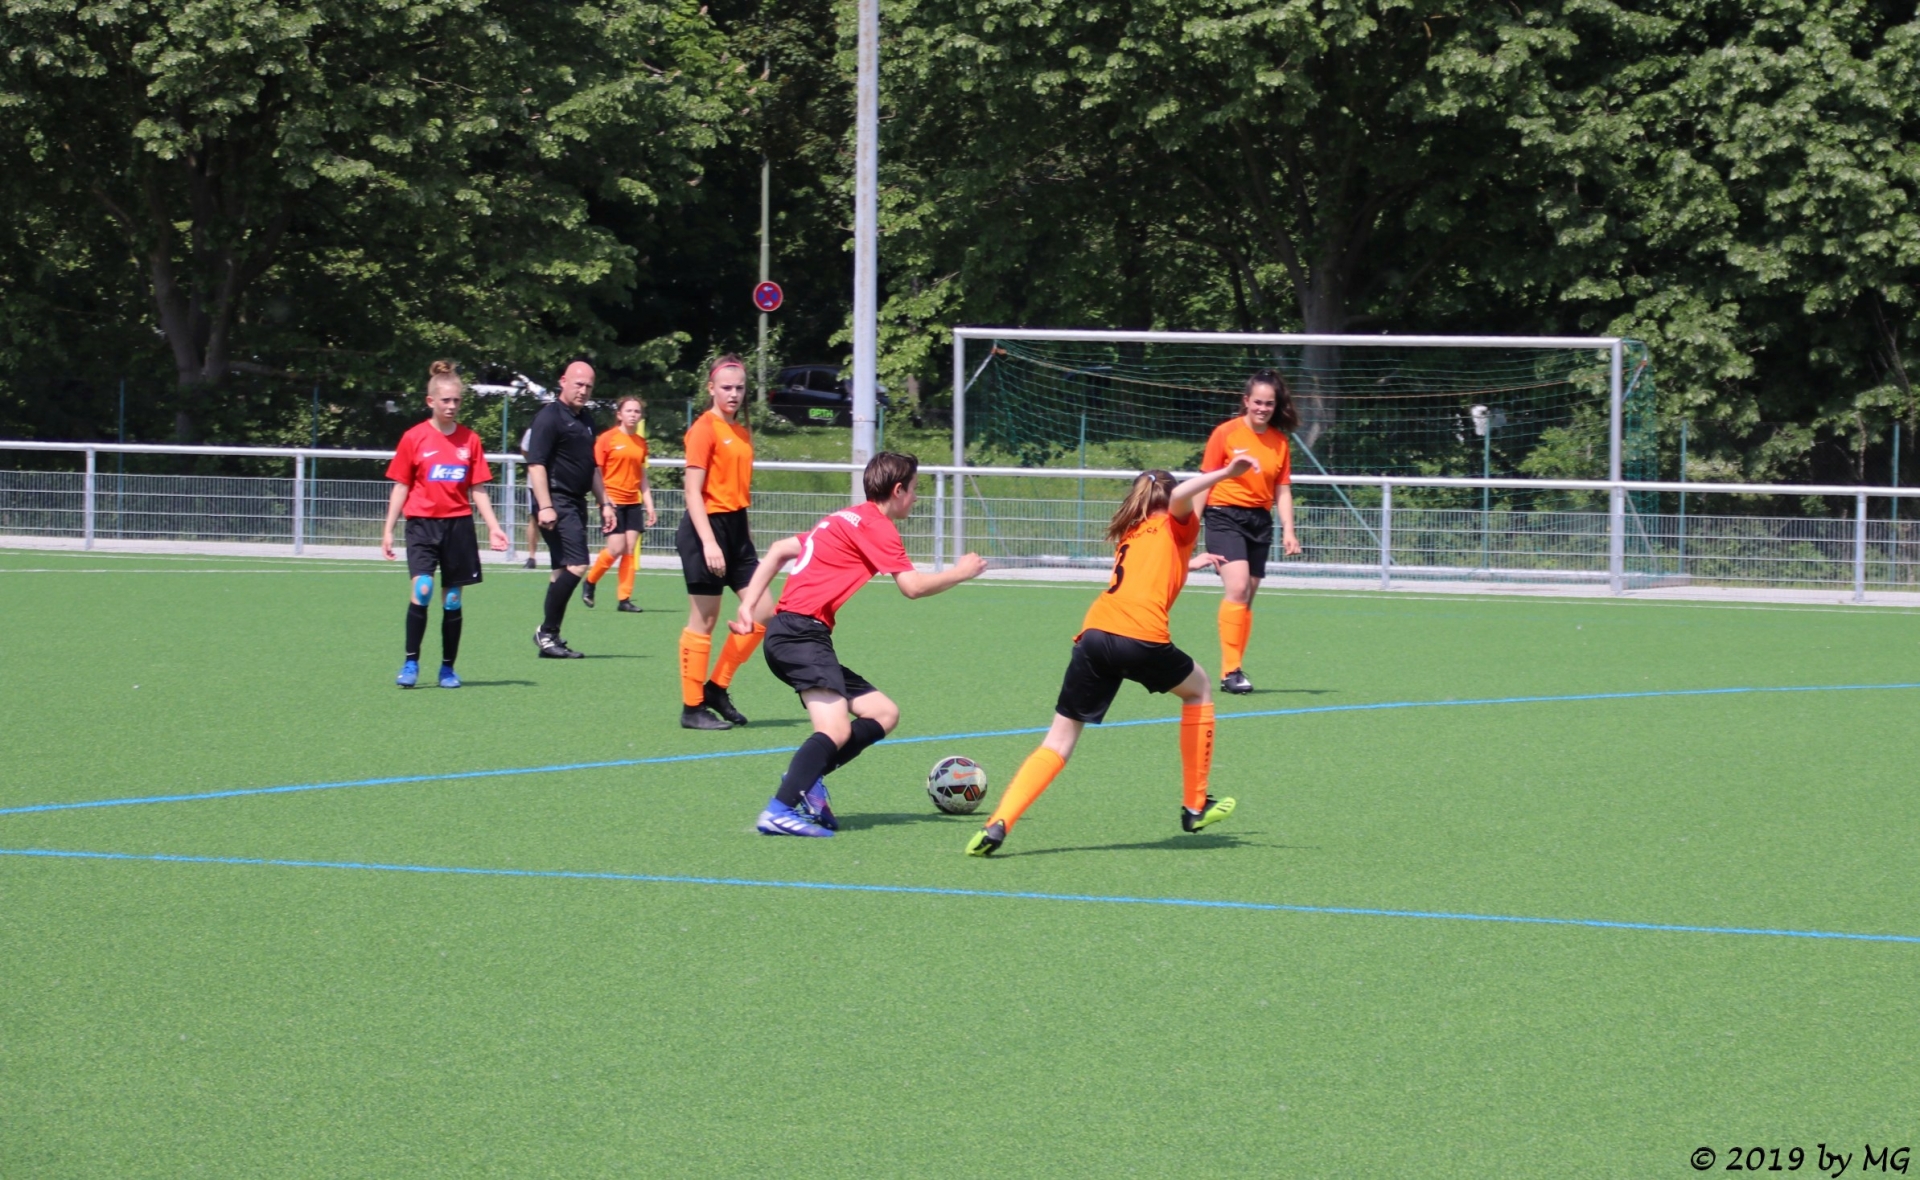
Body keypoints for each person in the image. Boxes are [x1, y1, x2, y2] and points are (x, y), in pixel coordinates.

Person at [966, 458, 1255, 857]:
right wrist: (1225, 474)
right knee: (1200, 689)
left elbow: (1149, 570)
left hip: (1095, 635)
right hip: (1140, 637)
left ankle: (998, 823)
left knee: (1058, 741)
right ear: (1170, 498)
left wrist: (1190, 562)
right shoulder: (1178, 522)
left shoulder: (1132, 531)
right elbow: (1183, 498)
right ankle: (1195, 806)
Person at [732, 452, 986, 837]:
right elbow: (913, 587)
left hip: (795, 633)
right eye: (914, 489)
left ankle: (807, 776)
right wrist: (961, 572)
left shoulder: (844, 517)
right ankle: (779, 809)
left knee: (883, 713)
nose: (916, 497)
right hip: (800, 633)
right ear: (897, 490)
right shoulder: (878, 526)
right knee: (834, 730)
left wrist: (748, 605)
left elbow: (781, 549)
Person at [380, 360, 509, 688]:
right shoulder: (414, 438)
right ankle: (411, 663)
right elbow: (401, 486)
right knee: (422, 589)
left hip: (458, 527)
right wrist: (388, 529)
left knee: (452, 600)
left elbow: (477, 488)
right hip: (422, 525)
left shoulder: (470, 440)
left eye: (457, 400)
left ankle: (448, 669)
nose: (452, 406)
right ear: (431, 401)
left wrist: (493, 526)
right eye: (446, 400)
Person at [676, 355, 764, 729]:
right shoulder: (703, 429)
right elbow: (692, 492)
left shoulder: (740, 431)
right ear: (711, 388)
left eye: (739, 388)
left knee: (764, 611)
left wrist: (744, 537)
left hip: (736, 531)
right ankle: (692, 708)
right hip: (705, 530)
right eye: (726, 387)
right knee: (705, 620)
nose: (733, 394)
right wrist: (710, 543)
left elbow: (737, 490)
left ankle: (716, 687)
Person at [1201, 369, 1301, 694]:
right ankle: (1231, 672)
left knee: (1248, 597)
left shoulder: (1280, 442)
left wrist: (1289, 530)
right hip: (1223, 515)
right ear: (1246, 401)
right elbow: (1206, 479)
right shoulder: (1225, 433)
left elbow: (1282, 489)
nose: (1263, 408)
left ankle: (1232, 670)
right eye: (1257, 402)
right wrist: (1188, 524)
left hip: (1259, 521)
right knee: (1239, 587)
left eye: (1269, 403)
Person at [526, 360, 615, 657]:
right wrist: (545, 506)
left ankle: (550, 639)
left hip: (576, 500)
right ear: (563, 381)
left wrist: (605, 502)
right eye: (578, 384)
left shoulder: (586, 418)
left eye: (589, 386)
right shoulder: (548, 418)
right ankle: (546, 632)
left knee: (560, 570)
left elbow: (592, 467)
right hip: (556, 501)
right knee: (577, 564)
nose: (583, 390)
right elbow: (536, 464)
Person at [581, 395, 657, 612]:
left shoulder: (641, 443)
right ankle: (590, 581)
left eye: (637, 411)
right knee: (615, 548)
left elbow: (642, 476)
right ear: (619, 414)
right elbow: (596, 471)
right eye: (629, 411)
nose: (633, 415)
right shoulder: (607, 439)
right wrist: (604, 500)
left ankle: (624, 599)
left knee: (629, 548)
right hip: (612, 502)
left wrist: (649, 505)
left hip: (633, 502)